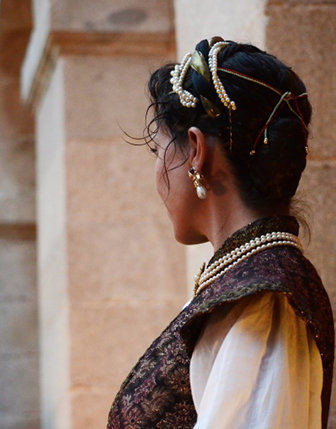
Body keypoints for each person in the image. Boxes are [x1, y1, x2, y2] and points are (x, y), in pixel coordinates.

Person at [107, 37, 334, 429]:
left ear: (196, 150)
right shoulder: (243, 284)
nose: (156, 174)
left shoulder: (263, 298)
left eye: (157, 150)